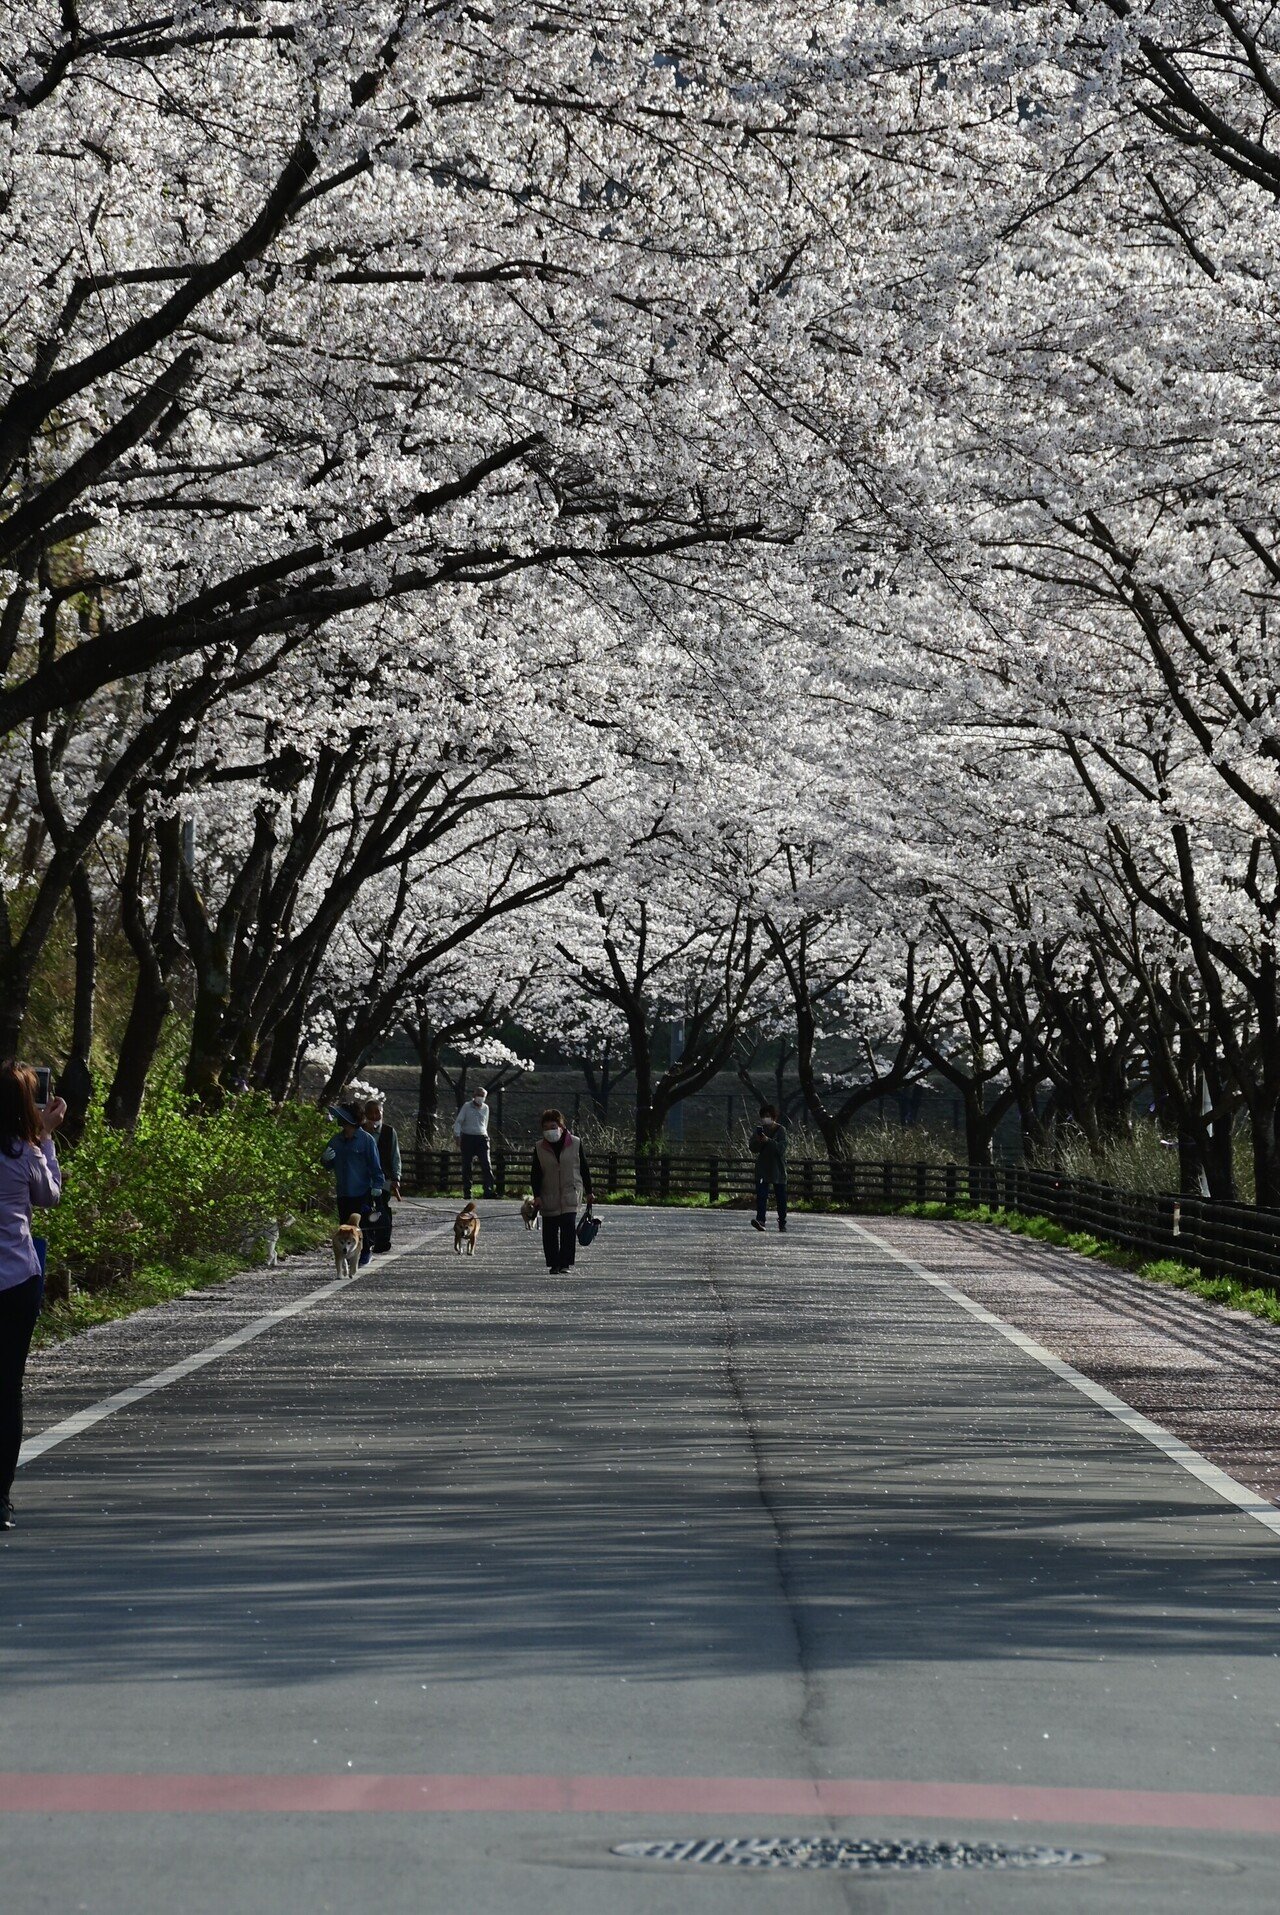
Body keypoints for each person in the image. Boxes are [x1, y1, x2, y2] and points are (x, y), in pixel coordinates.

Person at [0, 1062, 65, 1531]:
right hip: (16, 1281)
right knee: (7, 1389)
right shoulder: (23, 1152)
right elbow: (50, 1196)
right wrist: (45, 1138)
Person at [320, 1101, 385, 1268]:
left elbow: (375, 1165)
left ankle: (364, 1252)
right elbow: (328, 1165)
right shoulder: (335, 1141)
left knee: (362, 1225)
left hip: (362, 1190)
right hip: (343, 1191)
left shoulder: (366, 1140)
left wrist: (378, 1185)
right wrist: (325, 1159)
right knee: (345, 1226)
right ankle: (348, 1255)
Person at [530, 1107, 594, 1274]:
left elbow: (584, 1168)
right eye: (545, 1128)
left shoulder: (575, 1143)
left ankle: (565, 1263)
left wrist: (589, 1191)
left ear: (560, 1126)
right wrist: (536, 1195)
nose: (549, 1131)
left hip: (570, 1192)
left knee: (568, 1229)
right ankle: (553, 1263)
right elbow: (535, 1173)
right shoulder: (539, 1147)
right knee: (549, 1231)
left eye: (552, 1126)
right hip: (548, 1193)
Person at [362, 1100, 402, 1252]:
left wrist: (396, 1177)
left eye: (377, 1112)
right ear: (365, 1114)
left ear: (382, 1113)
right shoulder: (360, 1131)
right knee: (366, 1209)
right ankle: (368, 1239)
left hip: (384, 1178)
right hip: (363, 1178)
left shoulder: (389, 1131)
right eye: (371, 1112)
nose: (374, 1116)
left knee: (382, 1208)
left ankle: (383, 1241)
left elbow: (395, 1156)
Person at [750, 1103, 788, 1233]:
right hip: (763, 1169)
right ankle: (760, 1220)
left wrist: (768, 1141)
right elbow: (752, 1148)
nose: (766, 1119)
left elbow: (781, 1149)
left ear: (773, 1117)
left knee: (781, 1198)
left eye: (768, 1116)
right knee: (761, 1195)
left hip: (778, 1169)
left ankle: (782, 1222)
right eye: (763, 1116)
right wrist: (759, 1141)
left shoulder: (781, 1130)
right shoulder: (758, 1131)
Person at [452, 1086, 496, 1199]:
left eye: (482, 1096)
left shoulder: (486, 1108)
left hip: (481, 1137)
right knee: (467, 1165)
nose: (480, 1098)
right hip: (468, 1137)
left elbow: (485, 1123)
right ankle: (467, 1191)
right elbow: (459, 1121)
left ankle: (488, 1190)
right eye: (478, 1095)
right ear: (474, 1096)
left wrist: (485, 1134)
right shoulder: (467, 1107)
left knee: (486, 1164)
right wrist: (457, 1135)